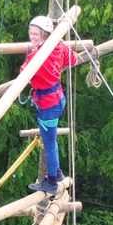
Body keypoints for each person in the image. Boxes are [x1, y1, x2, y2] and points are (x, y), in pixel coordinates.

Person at [23, 14, 77, 195]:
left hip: (49, 105)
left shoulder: (37, 57)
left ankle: (51, 181)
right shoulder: (59, 46)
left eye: (36, 34)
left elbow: (24, 74)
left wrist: (30, 52)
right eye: (31, 34)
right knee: (51, 140)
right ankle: (58, 172)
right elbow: (74, 59)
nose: (33, 37)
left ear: (46, 35)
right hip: (58, 99)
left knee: (49, 142)